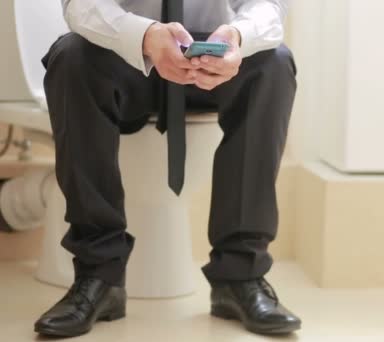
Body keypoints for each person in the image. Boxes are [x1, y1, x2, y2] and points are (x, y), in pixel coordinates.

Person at [34, 0, 300, 337]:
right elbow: (81, 4)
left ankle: (240, 275)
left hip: (213, 57)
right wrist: (144, 36)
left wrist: (238, 35)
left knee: (274, 64)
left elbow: (269, 4)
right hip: (128, 50)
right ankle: (98, 275)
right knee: (71, 58)